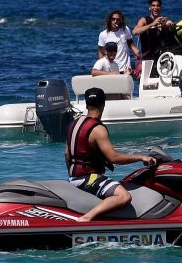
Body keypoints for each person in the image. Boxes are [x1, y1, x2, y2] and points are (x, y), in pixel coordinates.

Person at [65, 87, 156, 222]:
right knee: (124, 196)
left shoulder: (74, 124)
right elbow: (113, 158)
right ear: (103, 104)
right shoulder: (98, 129)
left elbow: (67, 154)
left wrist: (74, 174)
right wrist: (141, 157)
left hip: (74, 177)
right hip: (88, 178)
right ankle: (87, 218)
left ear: (86, 104)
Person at [133, 0, 178, 77]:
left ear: (160, 7)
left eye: (157, 6)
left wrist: (171, 26)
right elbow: (135, 31)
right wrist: (152, 25)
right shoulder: (144, 20)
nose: (155, 8)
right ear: (150, 8)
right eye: (153, 6)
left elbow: (174, 37)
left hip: (162, 57)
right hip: (148, 57)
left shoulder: (164, 20)